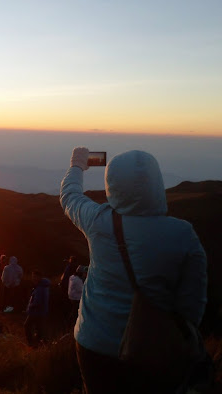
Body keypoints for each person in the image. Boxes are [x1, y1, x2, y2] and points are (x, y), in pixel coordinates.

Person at [60, 147, 207, 393]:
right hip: (153, 350)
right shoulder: (182, 234)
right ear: (156, 183)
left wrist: (77, 165)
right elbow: (193, 304)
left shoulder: (98, 221)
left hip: (93, 345)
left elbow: (69, 196)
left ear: (112, 186)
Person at [24, 270, 50, 347]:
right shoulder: (43, 286)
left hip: (36, 312)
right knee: (38, 329)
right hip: (41, 312)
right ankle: (39, 343)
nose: (33, 278)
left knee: (27, 326)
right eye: (32, 276)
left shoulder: (40, 288)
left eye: (35, 277)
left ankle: (31, 343)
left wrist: (29, 306)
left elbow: (37, 302)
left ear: (39, 277)